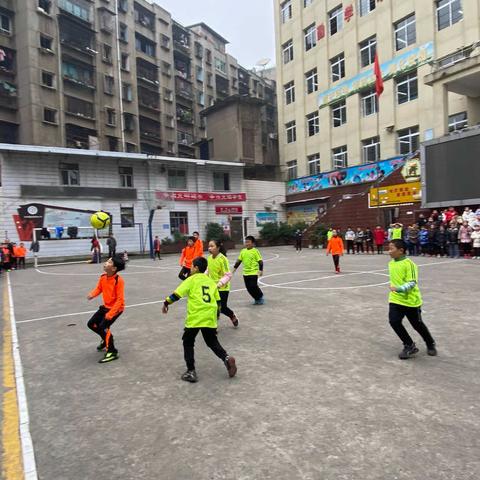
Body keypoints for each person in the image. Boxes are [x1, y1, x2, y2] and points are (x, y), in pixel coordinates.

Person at [162, 256, 237, 383]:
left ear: (196, 268)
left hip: (196, 317)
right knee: (212, 342)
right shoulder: (210, 281)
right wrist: (217, 315)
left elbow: (177, 294)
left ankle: (191, 371)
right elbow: (218, 301)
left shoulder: (191, 280)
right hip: (209, 316)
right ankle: (226, 358)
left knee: (188, 341)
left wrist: (166, 303)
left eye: (192, 266)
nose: (190, 268)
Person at [387, 239, 437, 360]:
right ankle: (409, 345)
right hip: (395, 299)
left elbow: (412, 283)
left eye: (391, 248)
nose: (389, 251)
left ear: (401, 251)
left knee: (417, 325)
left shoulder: (410, 264)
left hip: (411, 301)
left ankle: (430, 343)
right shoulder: (391, 263)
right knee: (394, 321)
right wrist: (395, 290)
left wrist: (398, 288)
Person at [86, 255, 126, 363]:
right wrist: (92, 295)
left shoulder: (119, 281)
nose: (106, 263)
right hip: (105, 307)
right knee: (91, 324)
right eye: (107, 261)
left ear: (114, 269)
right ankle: (105, 339)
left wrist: (111, 314)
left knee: (103, 326)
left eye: (109, 262)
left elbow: (120, 300)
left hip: (116, 309)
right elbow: (99, 288)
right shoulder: (103, 277)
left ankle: (112, 351)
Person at [207, 239, 239, 327]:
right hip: (212, 287)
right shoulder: (209, 258)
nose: (209, 248)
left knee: (222, 308)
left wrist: (220, 283)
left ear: (218, 248)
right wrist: (203, 277)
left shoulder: (222, 259)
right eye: (209, 246)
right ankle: (213, 326)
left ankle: (231, 315)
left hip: (223, 287)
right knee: (213, 307)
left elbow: (228, 275)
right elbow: (208, 270)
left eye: (212, 246)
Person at [233, 235, 264, 305]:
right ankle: (256, 299)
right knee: (248, 288)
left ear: (253, 243)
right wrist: (234, 270)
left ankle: (260, 296)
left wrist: (261, 270)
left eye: (248, 242)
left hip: (253, 272)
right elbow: (238, 261)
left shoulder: (255, 251)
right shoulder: (243, 251)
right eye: (246, 242)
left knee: (253, 286)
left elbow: (260, 262)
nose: (246, 243)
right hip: (245, 273)